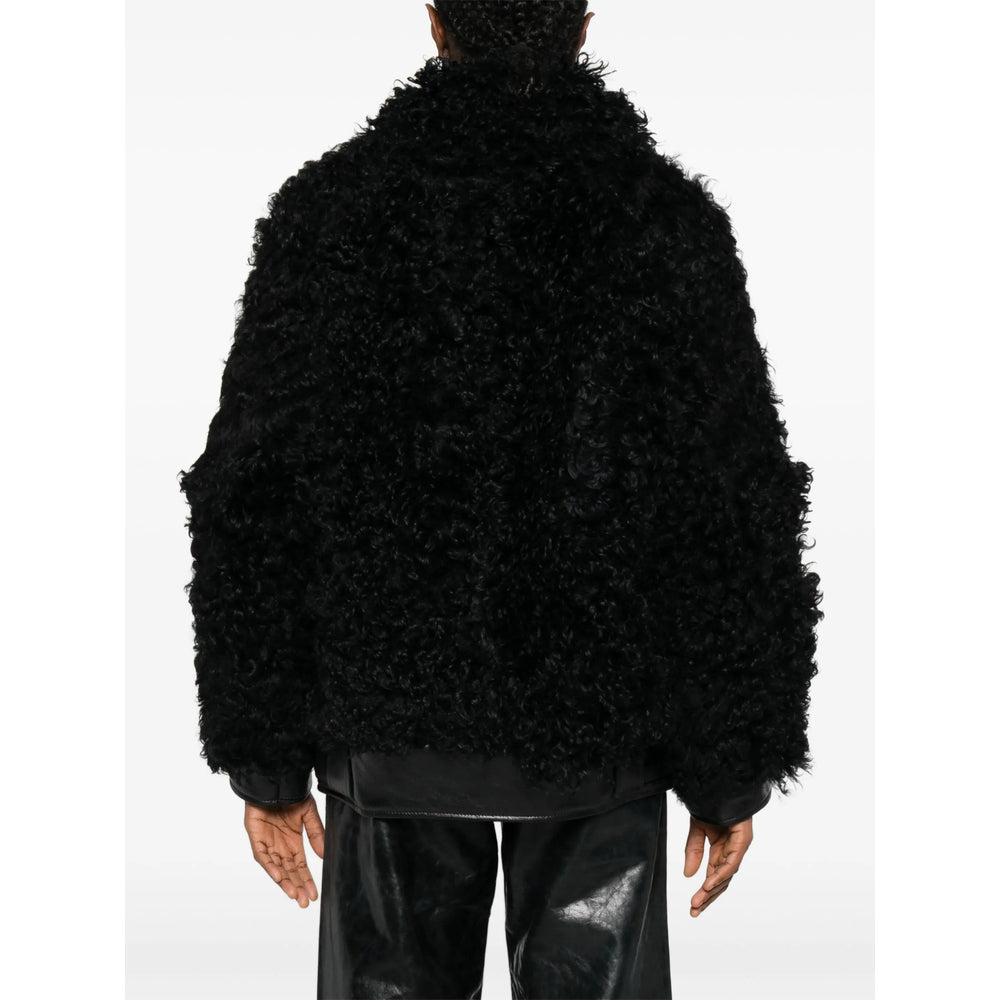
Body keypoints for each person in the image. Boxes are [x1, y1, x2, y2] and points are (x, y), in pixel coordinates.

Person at [178, 2, 823, 997]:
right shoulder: (662, 222)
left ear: (436, 25)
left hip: (387, 723)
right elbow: (730, 504)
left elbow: (249, 492)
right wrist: (733, 761)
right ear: (583, 25)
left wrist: (262, 755)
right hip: (600, 731)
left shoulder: (332, 214)